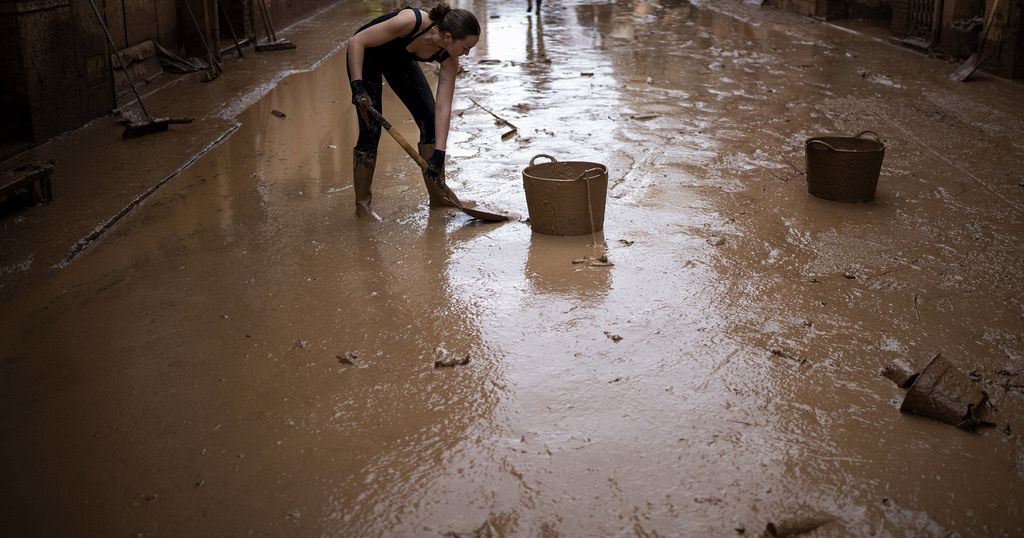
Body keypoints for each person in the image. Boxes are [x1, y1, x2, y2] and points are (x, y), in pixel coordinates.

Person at [346, 3, 481, 221]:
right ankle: (363, 206)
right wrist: (357, 86)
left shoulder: (449, 59)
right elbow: (356, 41)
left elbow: (443, 106)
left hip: (400, 62)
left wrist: (439, 152)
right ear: (448, 37)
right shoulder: (411, 21)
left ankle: (439, 198)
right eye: (466, 48)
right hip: (366, 56)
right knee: (371, 131)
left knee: (429, 121)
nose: (466, 54)